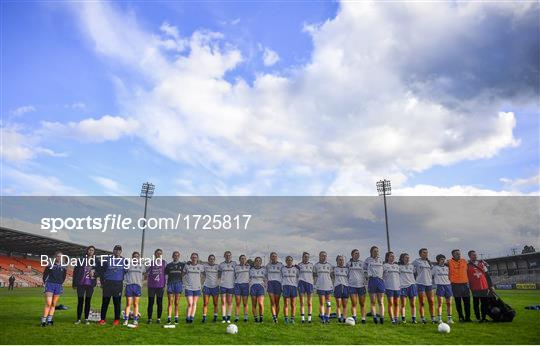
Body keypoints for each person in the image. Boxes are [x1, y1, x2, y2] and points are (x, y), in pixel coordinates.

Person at [98, 245, 125, 325]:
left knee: (117, 303)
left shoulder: (124, 261)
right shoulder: (107, 260)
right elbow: (101, 272)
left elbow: (126, 272)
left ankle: (116, 319)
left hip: (118, 284)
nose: (117, 251)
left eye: (119, 250)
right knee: (105, 302)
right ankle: (102, 319)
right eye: (116, 250)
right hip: (108, 283)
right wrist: (102, 283)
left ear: (121, 251)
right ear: (113, 251)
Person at [41, 251, 67, 327]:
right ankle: (43, 321)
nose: (59, 258)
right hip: (49, 285)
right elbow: (45, 275)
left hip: (58, 286)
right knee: (48, 303)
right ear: (55, 257)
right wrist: (45, 283)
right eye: (58, 256)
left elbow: (64, 277)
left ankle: (49, 320)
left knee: (53, 304)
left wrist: (60, 284)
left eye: (61, 256)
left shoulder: (64, 267)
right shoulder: (50, 265)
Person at [72, 245, 97, 325]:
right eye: (89, 250)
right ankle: (78, 319)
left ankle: (86, 319)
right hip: (81, 284)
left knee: (88, 302)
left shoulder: (96, 261)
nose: (91, 251)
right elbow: (75, 272)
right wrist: (74, 283)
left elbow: (99, 272)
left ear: (94, 252)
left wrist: (94, 273)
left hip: (90, 284)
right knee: (80, 301)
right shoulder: (81, 260)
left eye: (92, 250)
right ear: (87, 251)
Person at [467, 250, 493, 323]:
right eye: (473, 255)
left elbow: (487, 275)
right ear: (469, 256)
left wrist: (491, 285)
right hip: (474, 287)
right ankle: (478, 318)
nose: (475, 256)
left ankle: (484, 318)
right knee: (476, 304)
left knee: (484, 303)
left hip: (484, 287)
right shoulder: (467, 265)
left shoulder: (481, 263)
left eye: (476, 255)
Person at [448, 249, 472, 322]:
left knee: (467, 302)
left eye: (459, 253)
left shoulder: (464, 261)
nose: (459, 255)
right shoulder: (449, 262)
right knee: (458, 303)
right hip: (455, 285)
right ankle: (461, 317)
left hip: (465, 284)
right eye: (457, 254)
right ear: (453, 255)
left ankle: (468, 318)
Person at [413, 248, 436, 324]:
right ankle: (423, 318)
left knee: (431, 301)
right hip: (420, 283)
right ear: (420, 254)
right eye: (424, 252)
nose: (425, 254)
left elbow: (432, 273)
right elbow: (411, 270)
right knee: (422, 302)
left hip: (429, 284)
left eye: (426, 252)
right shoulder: (416, 262)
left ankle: (433, 318)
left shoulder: (429, 262)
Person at [364, 246, 385, 324]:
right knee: (373, 301)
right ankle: (375, 317)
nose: (376, 252)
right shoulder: (367, 260)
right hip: (372, 280)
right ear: (371, 252)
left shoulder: (381, 260)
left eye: (377, 251)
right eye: (375, 251)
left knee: (380, 301)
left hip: (380, 281)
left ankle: (382, 318)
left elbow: (384, 270)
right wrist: (368, 276)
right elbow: (364, 269)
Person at [123, 251, 144, 326]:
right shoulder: (128, 265)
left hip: (137, 286)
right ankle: (126, 319)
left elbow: (145, 274)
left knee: (135, 304)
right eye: (134, 256)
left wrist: (142, 283)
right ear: (132, 257)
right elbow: (124, 274)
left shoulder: (142, 265)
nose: (136, 257)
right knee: (128, 303)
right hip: (129, 285)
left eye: (137, 256)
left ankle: (135, 319)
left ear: (139, 257)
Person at [146, 248, 166, 324]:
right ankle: (149, 319)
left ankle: (158, 319)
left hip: (160, 286)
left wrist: (165, 284)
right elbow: (145, 271)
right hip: (151, 286)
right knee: (150, 303)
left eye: (160, 253)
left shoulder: (164, 263)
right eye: (157, 253)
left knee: (159, 303)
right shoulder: (150, 263)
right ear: (154, 254)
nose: (159, 255)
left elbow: (166, 274)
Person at [183, 252, 204, 323]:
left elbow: (204, 274)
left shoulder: (201, 266)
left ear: (197, 258)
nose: (194, 258)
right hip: (188, 287)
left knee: (194, 303)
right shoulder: (187, 266)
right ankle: (187, 317)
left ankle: (191, 317)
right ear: (191, 258)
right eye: (193, 257)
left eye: (195, 257)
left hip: (197, 287)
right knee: (190, 303)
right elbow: (182, 274)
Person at [347, 249, 367, 324]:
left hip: (361, 286)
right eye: (355, 253)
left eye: (358, 253)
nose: (357, 255)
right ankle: (354, 317)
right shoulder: (348, 264)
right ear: (352, 254)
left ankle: (363, 319)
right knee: (354, 303)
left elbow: (367, 270)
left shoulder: (362, 263)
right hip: (352, 285)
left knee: (362, 303)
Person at [433, 254, 453, 324]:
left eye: (444, 259)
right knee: (440, 303)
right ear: (438, 260)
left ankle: (449, 319)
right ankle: (440, 319)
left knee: (449, 303)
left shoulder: (447, 268)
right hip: (439, 286)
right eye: (441, 259)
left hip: (448, 285)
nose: (443, 260)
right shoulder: (435, 268)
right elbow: (430, 276)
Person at [165, 251, 184, 324]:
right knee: (170, 302)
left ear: (179, 256)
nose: (176, 256)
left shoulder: (182, 265)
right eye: (174, 255)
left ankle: (176, 318)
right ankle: (169, 318)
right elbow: (165, 274)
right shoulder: (169, 265)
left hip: (178, 284)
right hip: (170, 284)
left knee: (176, 303)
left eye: (177, 255)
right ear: (172, 256)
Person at [314, 251, 333, 323]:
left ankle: (327, 316)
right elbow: (315, 276)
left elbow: (331, 276)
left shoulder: (329, 265)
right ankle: (322, 317)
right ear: (319, 256)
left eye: (325, 256)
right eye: (322, 255)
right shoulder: (316, 265)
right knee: (322, 302)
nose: (323, 257)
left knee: (328, 302)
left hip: (328, 286)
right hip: (320, 286)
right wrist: (315, 285)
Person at [398, 253, 418, 323]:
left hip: (412, 286)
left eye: (408, 257)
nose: (407, 259)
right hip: (403, 286)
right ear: (402, 258)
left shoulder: (412, 266)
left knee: (413, 304)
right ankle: (403, 319)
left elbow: (415, 274)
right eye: (406, 257)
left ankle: (414, 319)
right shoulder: (398, 267)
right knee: (403, 304)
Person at [218, 251, 236, 323]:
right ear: (224, 256)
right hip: (223, 285)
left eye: (229, 255)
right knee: (223, 302)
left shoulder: (234, 264)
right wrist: (219, 282)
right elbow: (219, 274)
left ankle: (228, 317)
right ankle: (223, 317)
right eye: (226, 255)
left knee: (229, 302)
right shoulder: (221, 265)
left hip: (231, 286)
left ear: (231, 256)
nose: (228, 256)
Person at [383, 251, 400, 325]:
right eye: (391, 256)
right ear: (387, 257)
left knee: (397, 303)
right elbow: (382, 276)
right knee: (391, 303)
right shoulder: (384, 266)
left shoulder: (397, 266)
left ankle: (396, 318)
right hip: (389, 287)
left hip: (398, 287)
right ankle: (392, 319)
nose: (393, 257)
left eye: (393, 256)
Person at [297, 252, 314, 323]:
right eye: (305, 256)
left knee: (309, 302)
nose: (306, 258)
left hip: (309, 284)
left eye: (307, 257)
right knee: (302, 302)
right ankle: (303, 318)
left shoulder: (311, 265)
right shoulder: (299, 265)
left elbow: (314, 274)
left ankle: (309, 318)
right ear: (302, 257)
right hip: (301, 283)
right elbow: (296, 275)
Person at [266, 252, 283, 323]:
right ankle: (274, 318)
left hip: (278, 284)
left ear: (277, 257)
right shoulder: (268, 266)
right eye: (272, 256)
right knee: (272, 302)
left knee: (277, 302)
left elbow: (284, 273)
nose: (274, 257)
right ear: (270, 257)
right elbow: (265, 275)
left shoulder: (281, 265)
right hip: (270, 284)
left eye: (275, 256)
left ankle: (276, 316)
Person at [281, 255, 299, 323]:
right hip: (285, 286)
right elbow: (281, 277)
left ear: (292, 261)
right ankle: (286, 319)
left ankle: (292, 319)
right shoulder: (283, 269)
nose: (289, 261)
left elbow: (298, 277)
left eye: (291, 260)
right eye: (288, 260)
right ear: (286, 261)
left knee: (293, 304)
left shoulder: (296, 269)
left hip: (293, 287)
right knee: (286, 304)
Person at [202, 254, 220, 323]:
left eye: (213, 259)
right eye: (210, 259)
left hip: (215, 287)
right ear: (208, 259)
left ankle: (215, 317)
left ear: (214, 260)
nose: (211, 260)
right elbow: (201, 270)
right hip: (207, 286)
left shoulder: (217, 266)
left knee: (215, 303)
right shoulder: (204, 266)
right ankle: (204, 317)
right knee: (205, 303)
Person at [249, 257, 266, 323]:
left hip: (261, 287)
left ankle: (261, 318)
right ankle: (256, 319)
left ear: (261, 262)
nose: (258, 262)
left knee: (260, 303)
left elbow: (267, 276)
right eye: (256, 261)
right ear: (254, 262)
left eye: (259, 261)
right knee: (254, 304)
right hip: (253, 287)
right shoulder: (251, 269)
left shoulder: (264, 270)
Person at [234, 255, 250, 322]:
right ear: (239, 259)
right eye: (241, 259)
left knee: (245, 303)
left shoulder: (249, 267)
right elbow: (234, 276)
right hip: (237, 285)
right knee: (237, 302)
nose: (243, 260)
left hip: (245, 285)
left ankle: (245, 317)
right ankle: (237, 317)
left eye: (244, 259)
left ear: (246, 260)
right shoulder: (236, 267)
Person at [333, 255, 349, 323]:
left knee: (345, 305)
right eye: (339, 260)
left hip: (345, 287)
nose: (341, 261)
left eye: (342, 260)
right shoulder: (334, 269)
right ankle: (339, 317)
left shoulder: (347, 269)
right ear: (337, 261)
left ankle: (345, 318)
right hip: (338, 287)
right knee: (338, 304)